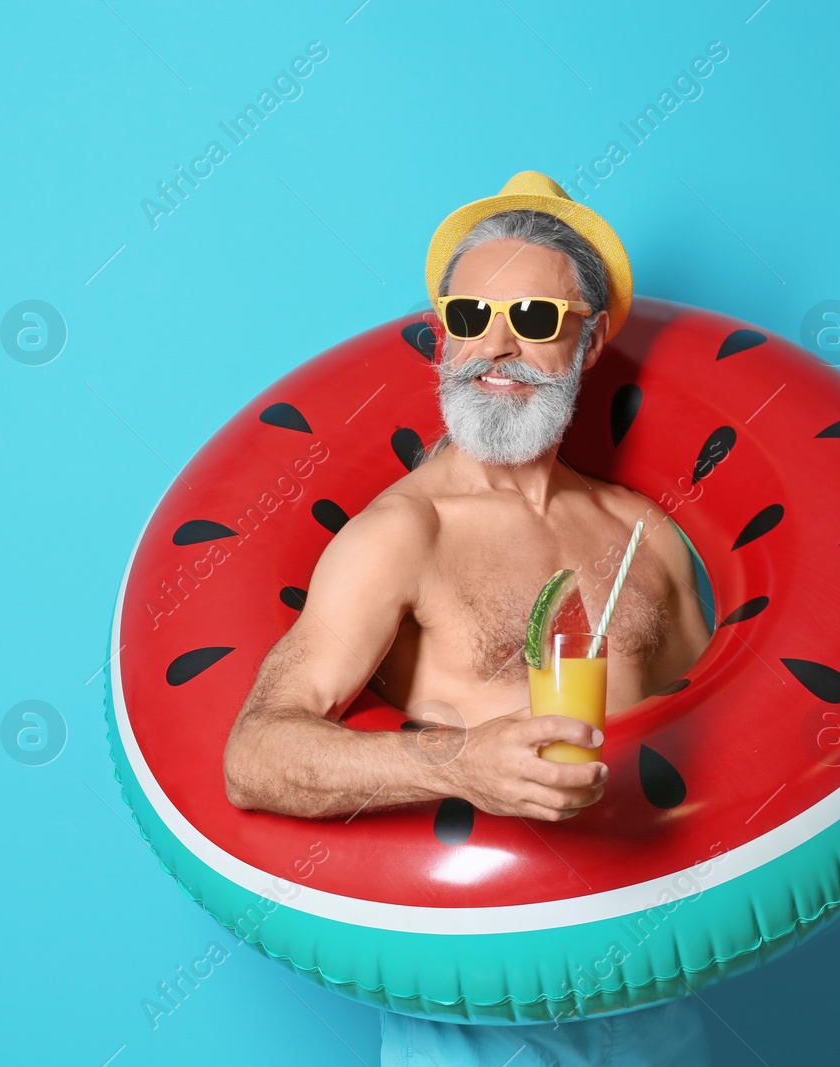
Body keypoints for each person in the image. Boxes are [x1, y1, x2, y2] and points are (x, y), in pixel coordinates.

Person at [221, 171, 715, 1065]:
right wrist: (460, 764)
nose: (497, 347)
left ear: (590, 340)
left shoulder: (649, 539)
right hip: (478, 1016)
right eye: (468, 317)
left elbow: (718, 735)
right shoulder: (401, 534)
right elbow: (254, 756)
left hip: (658, 1002)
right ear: (440, 335)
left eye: (534, 320)